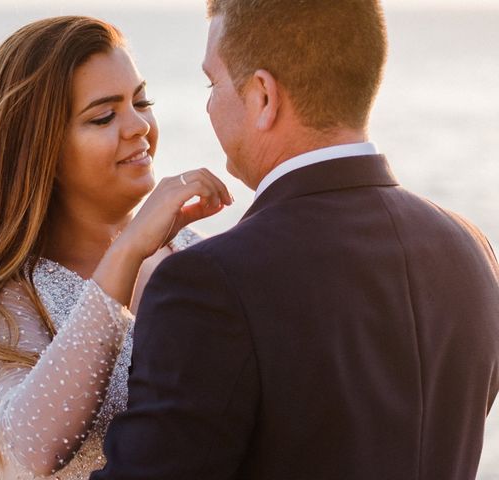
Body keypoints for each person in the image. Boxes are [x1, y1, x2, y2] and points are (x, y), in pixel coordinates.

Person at [91, 1, 499, 479]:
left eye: (213, 84)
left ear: (263, 96)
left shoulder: (209, 283)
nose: (208, 104)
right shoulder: (472, 251)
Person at [0, 16, 232, 480]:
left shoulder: (190, 256)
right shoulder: (3, 302)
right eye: (104, 116)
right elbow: (35, 445)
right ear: (40, 149)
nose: (138, 126)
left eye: (141, 101)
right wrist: (128, 252)